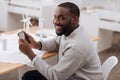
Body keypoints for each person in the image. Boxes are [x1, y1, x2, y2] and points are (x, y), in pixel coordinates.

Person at [19, 2, 103, 80]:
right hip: (72, 75)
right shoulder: (72, 31)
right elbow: (57, 42)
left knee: (29, 77)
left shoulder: (76, 47)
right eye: (55, 17)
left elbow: (55, 76)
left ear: (74, 19)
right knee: (29, 76)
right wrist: (37, 44)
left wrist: (30, 54)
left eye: (61, 18)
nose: (55, 22)